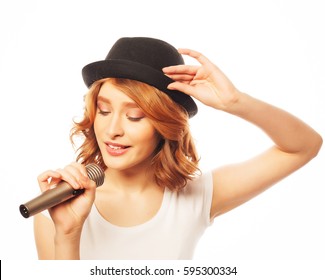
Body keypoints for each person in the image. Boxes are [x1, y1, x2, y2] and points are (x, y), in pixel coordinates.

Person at [34, 37, 322, 260]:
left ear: (165, 125)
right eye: (104, 111)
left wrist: (234, 102)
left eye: (135, 116)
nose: (112, 130)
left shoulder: (196, 198)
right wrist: (68, 234)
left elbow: (303, 147)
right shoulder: (58, 206)